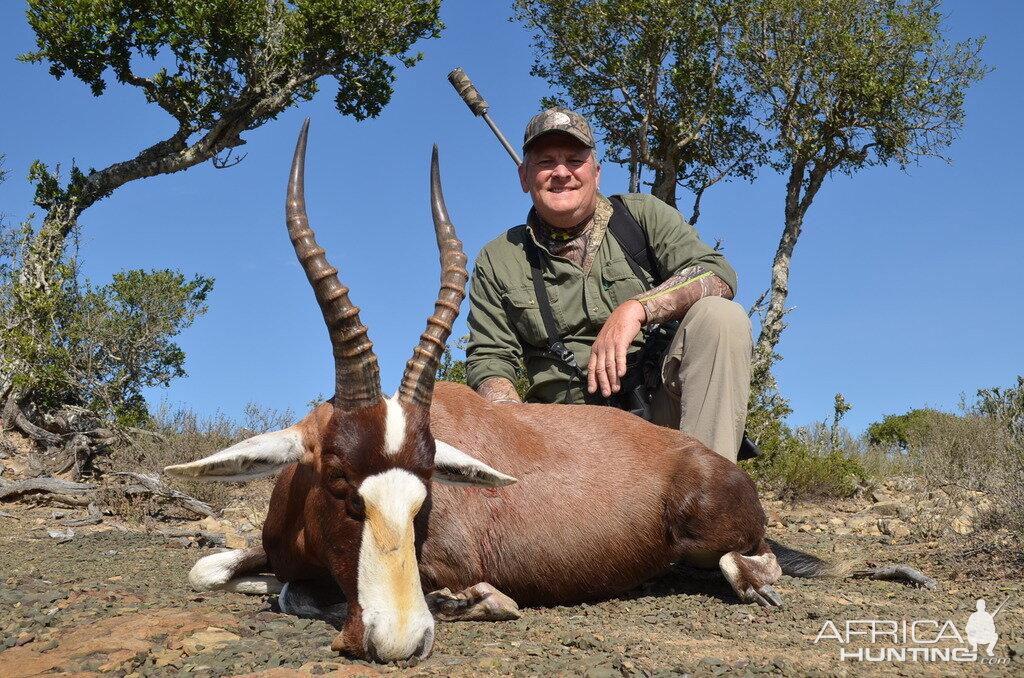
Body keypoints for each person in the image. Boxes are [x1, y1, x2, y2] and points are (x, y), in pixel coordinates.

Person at [465, 107, 752, 462]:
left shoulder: (642, 216)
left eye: (574, 160)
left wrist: (636, 310)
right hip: (564, 435)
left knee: (721, 316)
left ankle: (711, 493)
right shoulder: (498, 258)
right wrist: (510, 422)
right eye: (545, 163)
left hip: (657, 411)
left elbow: (716, 273)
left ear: (596, 174)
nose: (561, 173)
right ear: (524, 177)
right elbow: (491, 358)